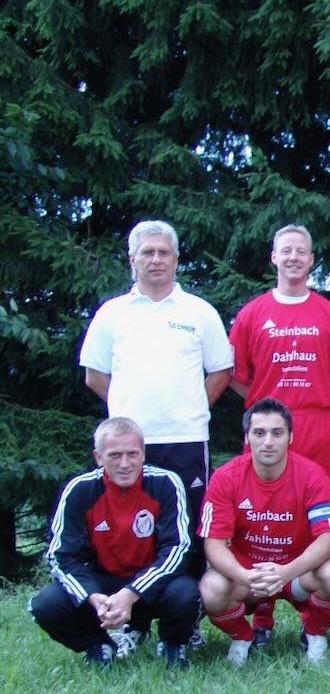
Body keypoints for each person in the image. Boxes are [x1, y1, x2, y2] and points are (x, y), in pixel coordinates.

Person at [79, 219, 233, 567]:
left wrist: (190, 408)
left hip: (186, 439)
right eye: (147, 252)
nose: (156, 259)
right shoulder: (111, 314)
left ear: (176, 260)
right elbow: (94, 376)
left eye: (164, 252)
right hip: (129, 445)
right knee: (129, 528)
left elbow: (221, 372)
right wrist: (127, 415)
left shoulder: (199, 311)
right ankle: (129, 600)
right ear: (132, 259)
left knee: (189, 526)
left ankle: (188, 600)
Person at [30, 417, 199, 668]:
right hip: (103, 581)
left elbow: (178, 548)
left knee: (185, 594)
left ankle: (173, 643)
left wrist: (131, 593)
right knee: (46, 605)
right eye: (115, 455)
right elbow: (61, 556)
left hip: (152, 580)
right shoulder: (79, 489)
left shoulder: (166, 483)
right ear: (98, 457)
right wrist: (92, 596)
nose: (124, 464)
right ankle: (98, 645)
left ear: (143, 454)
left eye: (132, 454)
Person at [198, 398, 330, 666]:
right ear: (247, 437)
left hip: (297, 573)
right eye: (259, 433)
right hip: (249, 576)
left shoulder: (312, 475)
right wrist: (245, 576)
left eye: (277, 433)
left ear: (290, 437)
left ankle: (314, 633)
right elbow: (214, 544)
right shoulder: (225, 477)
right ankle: (242, 637)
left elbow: (329, 538)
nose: (268, 441)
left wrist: (286, 572)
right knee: (211, 587)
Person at [228, 224, 330, 495]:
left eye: (300, 251)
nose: (293, 257)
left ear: (311, 259)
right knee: (263, 501)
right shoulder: (251, 315)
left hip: (318, 424)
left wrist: (326, 398)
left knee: (321, 499)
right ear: (274, 257)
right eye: (286, 251)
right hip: (267, 424)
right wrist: (263, 403)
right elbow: (232, 374)